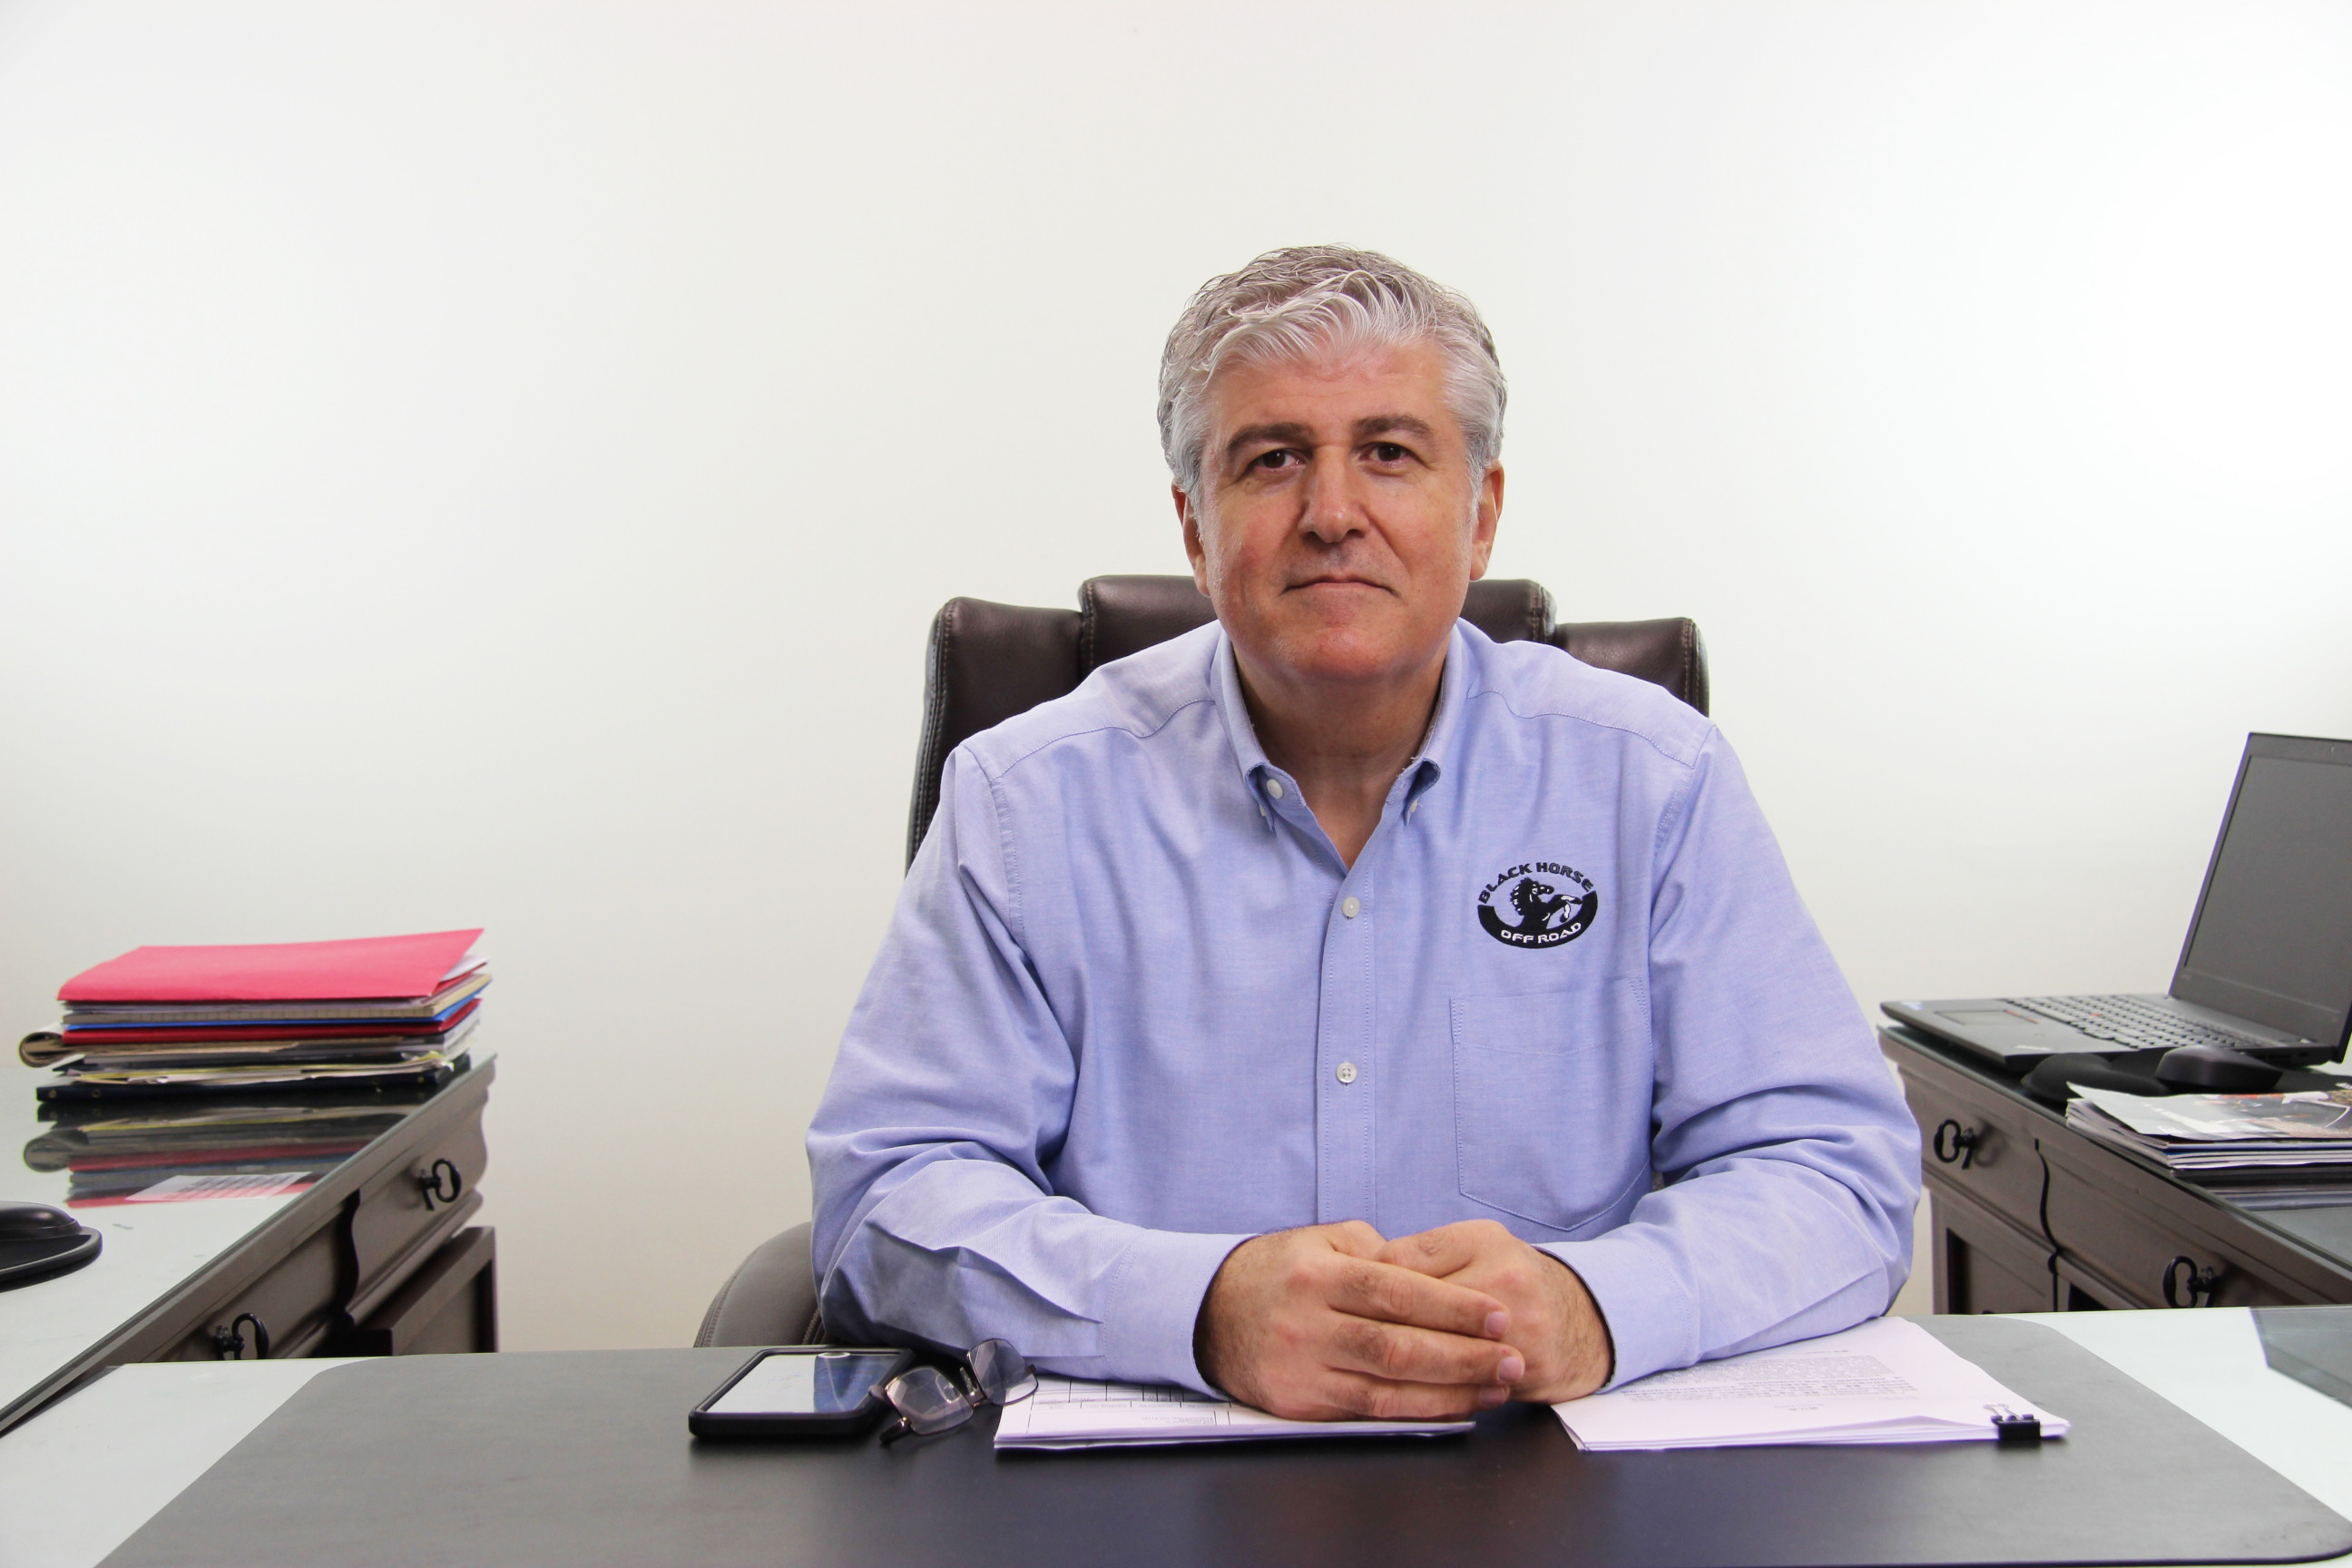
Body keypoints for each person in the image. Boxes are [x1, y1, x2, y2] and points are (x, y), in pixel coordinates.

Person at [807, 246, 1920, 1420]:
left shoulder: (1653, 781)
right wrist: (1199, 1310)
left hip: (1549, 1474)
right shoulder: (1023, 801)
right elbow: (887, 1199)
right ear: (1195, 529)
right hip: (1153, 1485)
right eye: (1273, 459)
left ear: (1481, 515)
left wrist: (1597, 1304)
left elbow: (1835, 1172)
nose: (1332, 515)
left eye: (1389, 453)